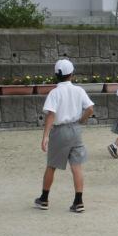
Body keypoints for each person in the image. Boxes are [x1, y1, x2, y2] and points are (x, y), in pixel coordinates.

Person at [35, 59, 94, 213]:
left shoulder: (55, 92)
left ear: (56, 75)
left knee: (52, 165)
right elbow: (90, 108)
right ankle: (79, 201)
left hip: (60, 130)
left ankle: (44, 198)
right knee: (77, 166)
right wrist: (82, 120)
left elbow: (51, 115)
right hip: (75, 129)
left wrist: (45, 136)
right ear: (72, 74)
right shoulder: (79, 90)